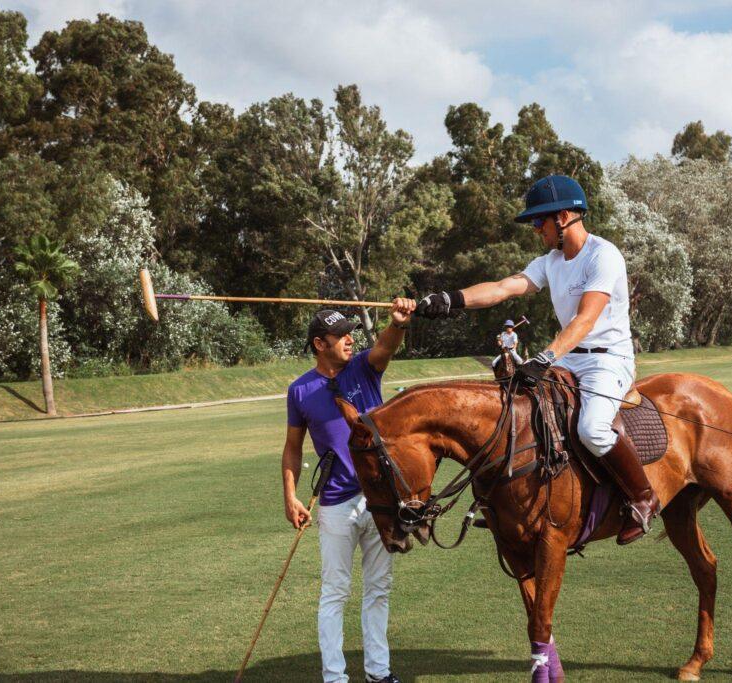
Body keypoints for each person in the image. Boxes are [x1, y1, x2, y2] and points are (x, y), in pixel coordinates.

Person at [414, 174, 660, 547]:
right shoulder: (550, 261)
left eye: (538, 221)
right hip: (568, 359)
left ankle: (643, 496)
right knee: (519, 408)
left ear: (563, 217)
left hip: (608, 360)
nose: (535, 229)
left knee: (592, 428)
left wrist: (545, 357)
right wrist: (451, 300)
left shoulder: (603, 255)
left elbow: (586, 318)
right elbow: (502, 288)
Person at [283, 301, 414, 683]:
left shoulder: (364, 369)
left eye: (350, 333)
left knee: (378, 590)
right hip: (336, 503)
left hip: (380, 500)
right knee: (335, 592)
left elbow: (385, 346)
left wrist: (398, 324)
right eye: (340, 335)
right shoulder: (300, 391)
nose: (349, 339)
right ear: (319, 343)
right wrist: (290, 495)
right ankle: (335, 677)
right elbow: (292, 447)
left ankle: (378, 672)